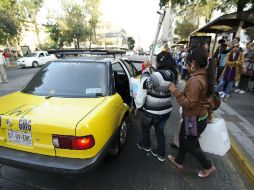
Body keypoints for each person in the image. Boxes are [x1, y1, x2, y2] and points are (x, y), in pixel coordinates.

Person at [168, 47, 216, 178]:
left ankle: (208, 166)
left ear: (193, 63)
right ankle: (178, 161)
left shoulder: (195, 80)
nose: (186, 66)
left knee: (190, 145)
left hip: (194, 119)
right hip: (196, 117)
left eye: (187, 63)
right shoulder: (204, 75)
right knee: (185, 138)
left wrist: (175, 91)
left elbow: (189, 104)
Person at [137, 54, 176, 162]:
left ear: (159, 62)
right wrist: (151, 68)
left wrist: (146, 69)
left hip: (152, 111)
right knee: (160, 131)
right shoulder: (172, 74)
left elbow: (144, 84)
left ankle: (146, 145)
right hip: (166, 110)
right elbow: (159, 82)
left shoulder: (158, 75)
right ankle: (161, 154)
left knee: (145, 128)